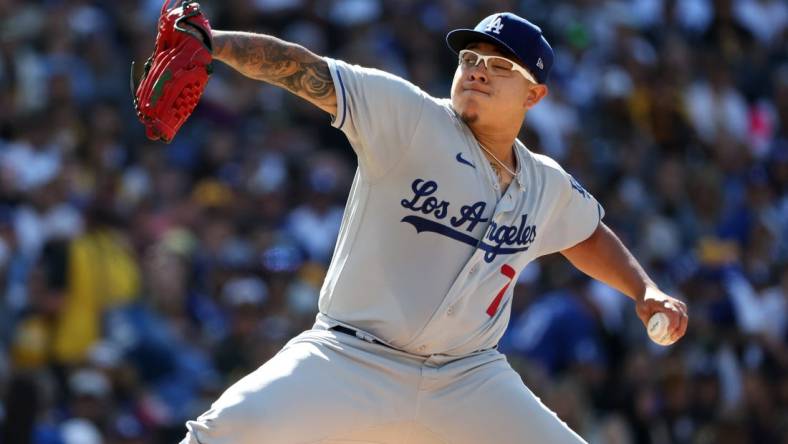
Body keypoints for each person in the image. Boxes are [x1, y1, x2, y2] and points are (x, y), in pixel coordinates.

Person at [181, 11, 688, 444]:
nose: (478, 71)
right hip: (352, 356)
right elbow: (304, 69)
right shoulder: (409, 118)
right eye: (470, 59)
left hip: (468, 378)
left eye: (499, 65)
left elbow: (587, 235)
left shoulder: (545, 183)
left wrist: (644, 289)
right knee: (222, 432)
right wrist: (216, 44)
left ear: (534, 95)